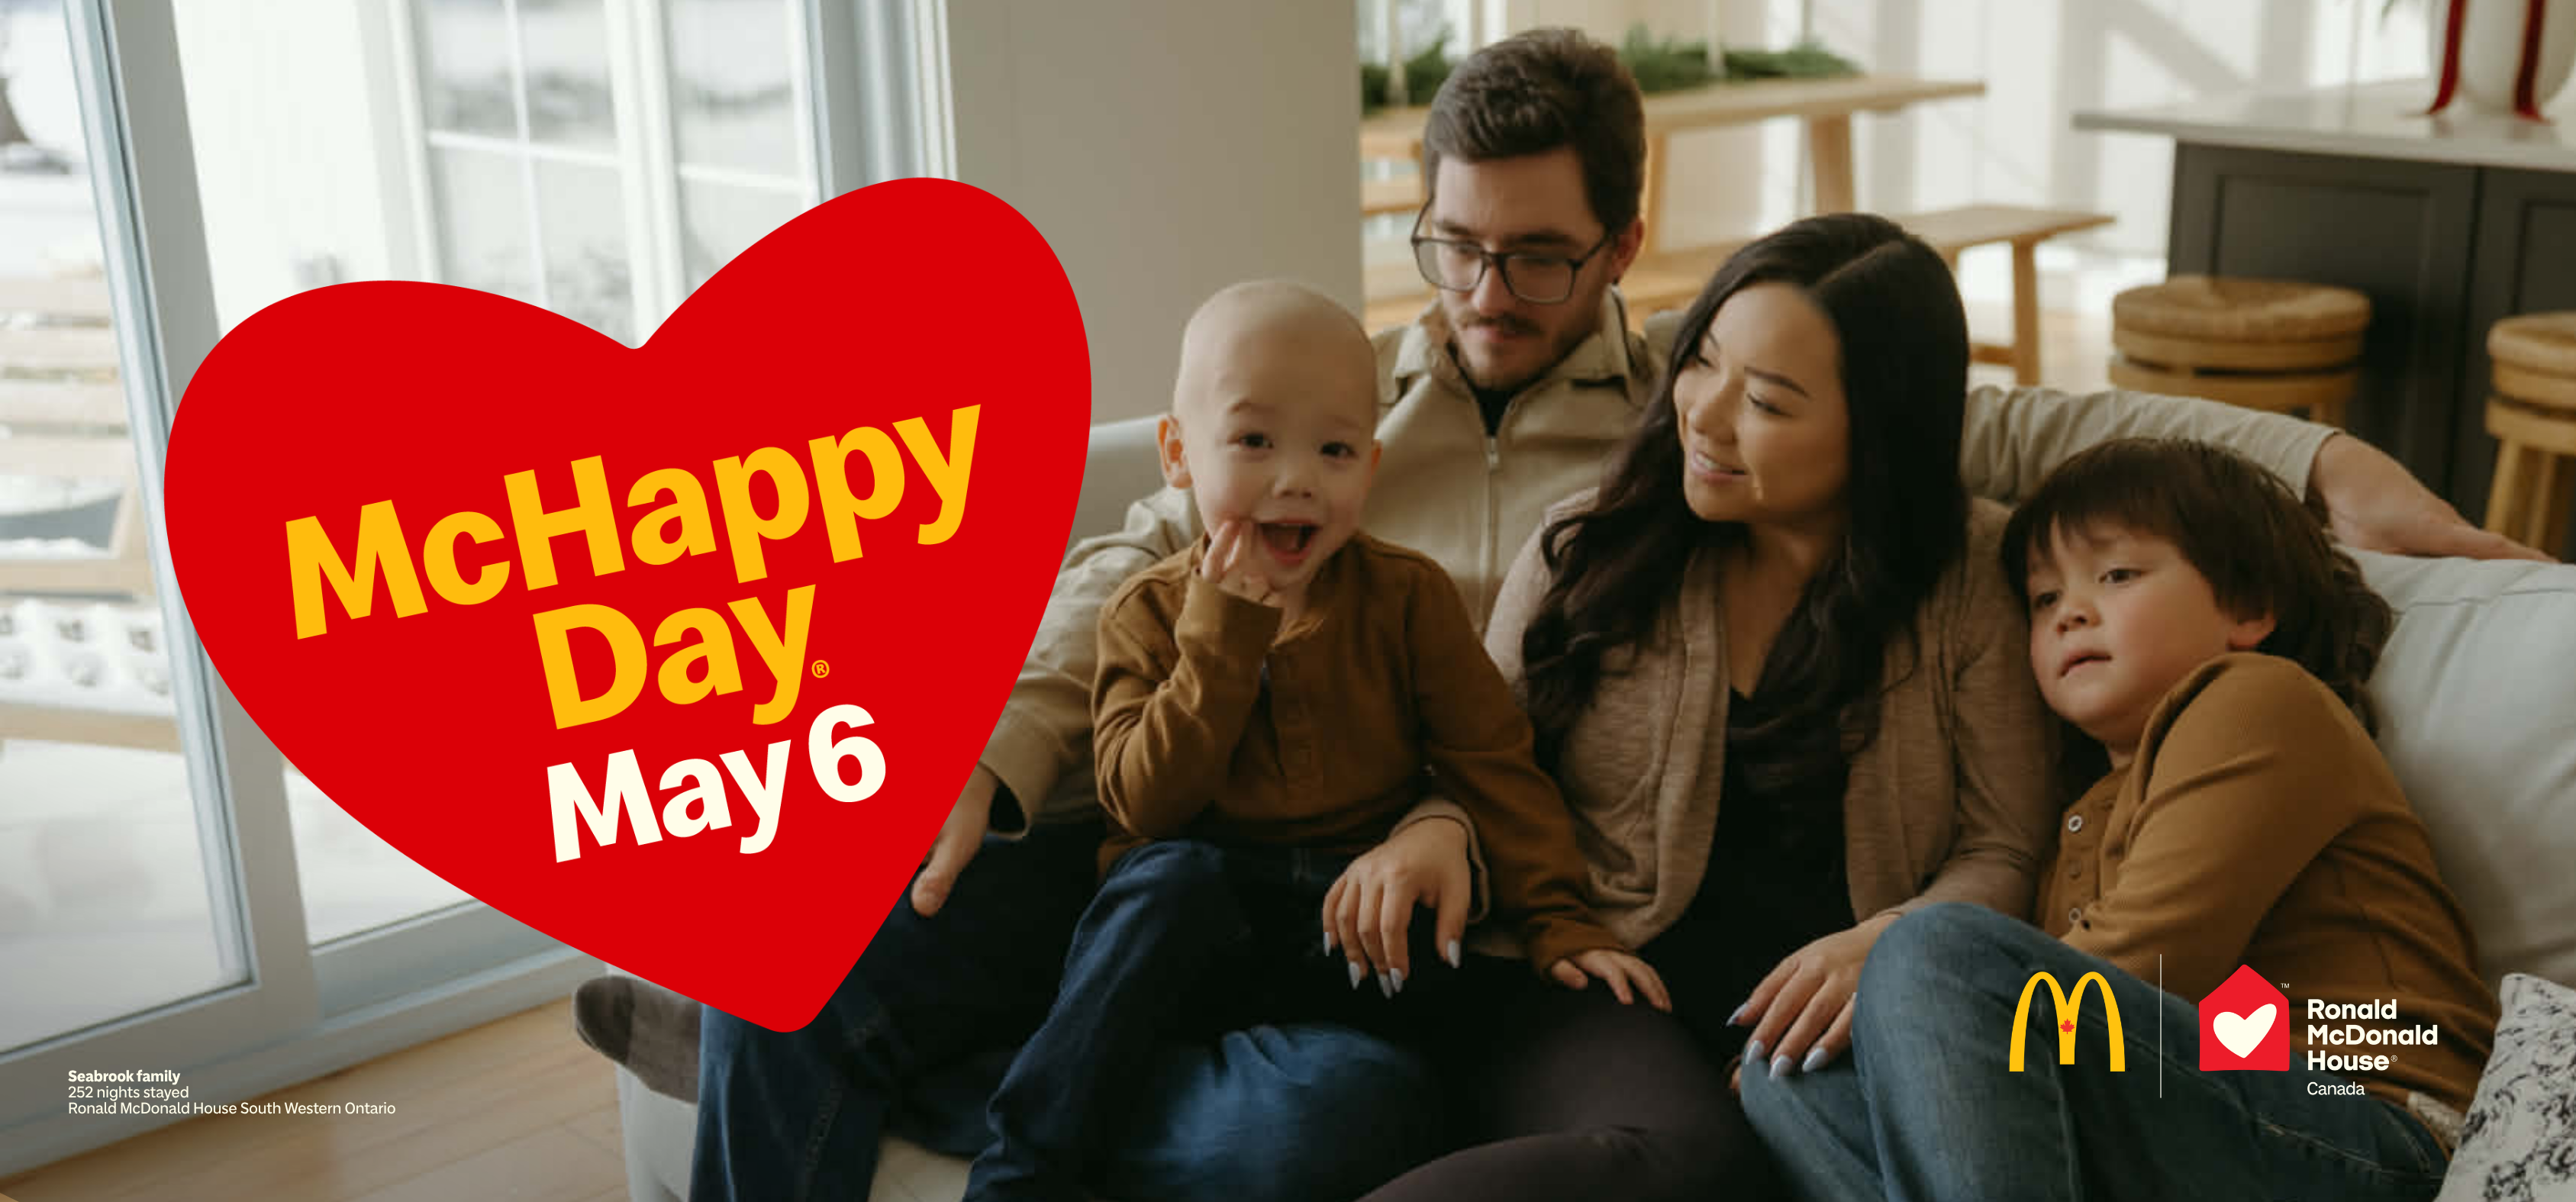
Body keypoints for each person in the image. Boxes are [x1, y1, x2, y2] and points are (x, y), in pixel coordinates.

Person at [679, 27, 2536, 1202]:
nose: (1490, 290)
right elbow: (1136, 563)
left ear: (1618, 254)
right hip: (1343, 868)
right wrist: (997, 754)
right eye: (1454, 245)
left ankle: (1046, 1090)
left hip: (2312, 1072)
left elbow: (2119, 962)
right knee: (812, 929)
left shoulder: (2099, 641)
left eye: (1539, 254)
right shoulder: (1353, 421)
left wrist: (2318, 475)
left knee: (1358, 1124)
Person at [1336, 207, 2056, 1200]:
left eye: (1764, 399)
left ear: (1879, 426)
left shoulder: (1972, 575)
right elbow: (1478, 760)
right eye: (1700, 360)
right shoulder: (1584, 547)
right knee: (1691, 1157)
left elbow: (2003, 844)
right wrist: (1429, 830)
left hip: (1830, 1014)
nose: (1703, 415)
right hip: (1594, 979)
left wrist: (1890, 938)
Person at [962, 280, 1649, 1202]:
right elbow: (1145, 802)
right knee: (1168, 877)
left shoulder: (1408, 599)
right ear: (1177, 454)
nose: (1296, 479)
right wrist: (1220, 641)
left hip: (1343, 926)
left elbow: (1493, 762)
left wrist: (1558, 920)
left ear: (1368, 470)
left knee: (1437, 985)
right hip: (1191, 931)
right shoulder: (1150, 611)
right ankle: (1024, 1169)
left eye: (1332, 451)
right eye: (1254, 442)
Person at [1739, 438, 2501, 1202]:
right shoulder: (2079, 811)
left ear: (2247, 608)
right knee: (1788, 1075)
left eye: (2117, 575)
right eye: (2043, 600)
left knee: (1938, 953)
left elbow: (2149, 965)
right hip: (2203, 1112)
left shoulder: (2259, 701)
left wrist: (1936, 991)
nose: (2071, 611)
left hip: (2379, 1125)